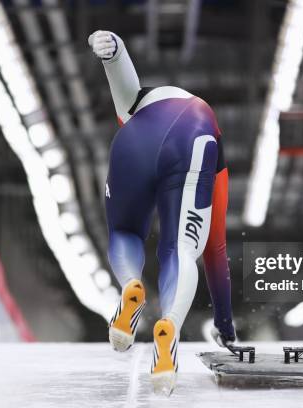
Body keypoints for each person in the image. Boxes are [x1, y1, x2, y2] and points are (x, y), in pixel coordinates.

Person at [88, 30, 236, 394]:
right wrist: (225, 323)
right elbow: (214, 251)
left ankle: (130, 286)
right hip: (196, 141)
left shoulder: (136, 107)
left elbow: (123, 81)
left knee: (124, 231)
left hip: (134, 142)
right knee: (181, 250)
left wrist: (113, 48)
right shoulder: (214, 145)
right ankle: (170, 326)